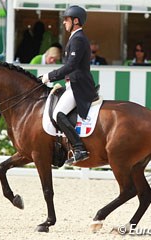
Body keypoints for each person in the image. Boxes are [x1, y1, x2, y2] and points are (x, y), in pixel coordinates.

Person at [40, 5, 98, 164]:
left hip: (79, 86)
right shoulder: (75, 38)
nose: (64, 22)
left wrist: (48, 77)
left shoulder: (78, 39)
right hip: (72, 84)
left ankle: (79, 148)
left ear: (76, 21)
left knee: (58, 114)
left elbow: (70, 66)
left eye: (66, 19)